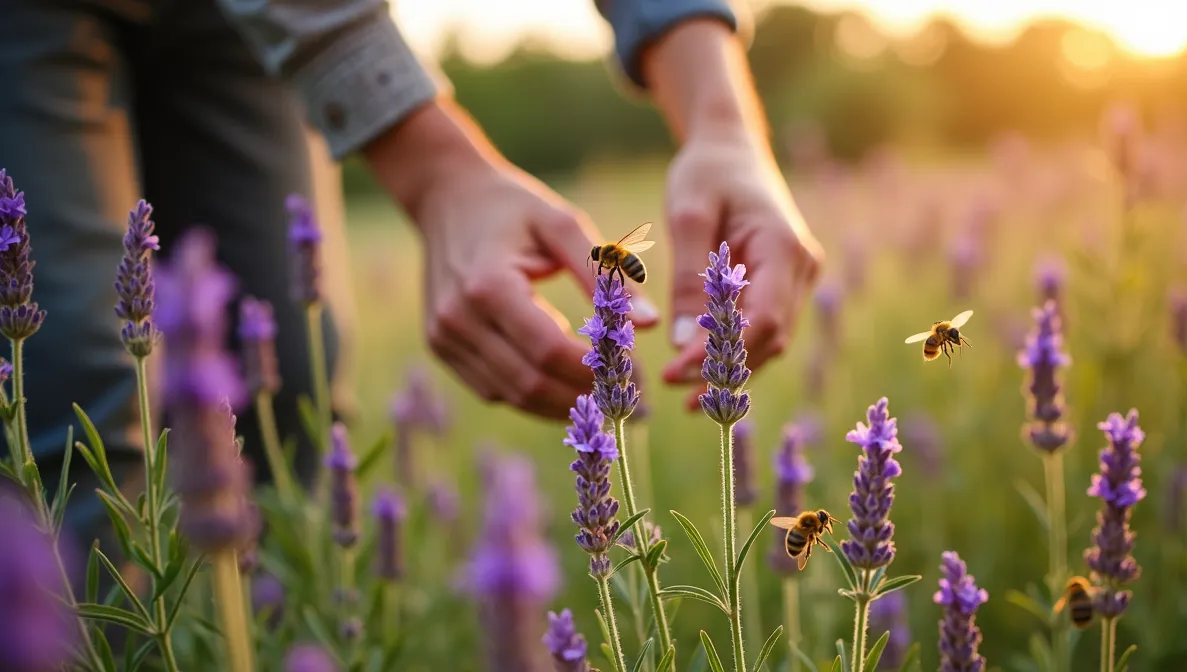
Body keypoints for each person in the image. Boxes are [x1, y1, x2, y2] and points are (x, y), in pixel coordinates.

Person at [0, 0, 822, 552]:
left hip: (227, 27)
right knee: (80, 403)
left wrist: (721, 117)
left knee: (286, 392)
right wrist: (435, 171)